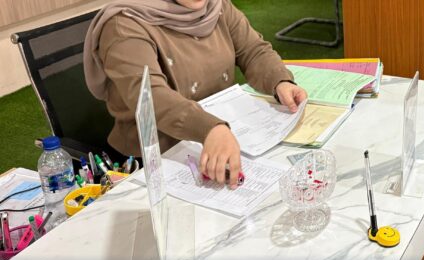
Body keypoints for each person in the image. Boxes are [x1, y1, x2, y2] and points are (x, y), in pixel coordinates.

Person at [84, 0, 307, 188]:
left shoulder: (216, 6)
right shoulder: (123, 24)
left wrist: (279, 80)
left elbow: (253, 50)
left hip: (224, 137)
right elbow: (150, 97)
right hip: (155, 161)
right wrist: (210, 129)